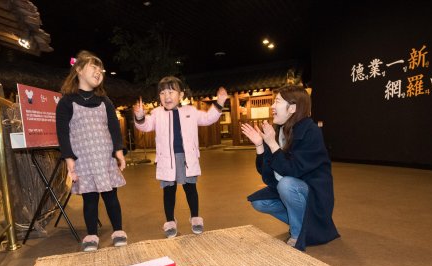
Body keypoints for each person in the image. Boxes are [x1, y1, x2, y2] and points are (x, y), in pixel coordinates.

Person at [241, 85, 339, 251]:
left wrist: (272, 144)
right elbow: (267, 176)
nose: (272, 107)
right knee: (260, 202)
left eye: (277, 101)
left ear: (292, 108)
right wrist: (260, 146)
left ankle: (297, 233)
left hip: (313, 195)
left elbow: (292, 170)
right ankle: (303, 225)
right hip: (293, 189)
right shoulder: (279, 131)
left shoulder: (311, 132)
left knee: (286, 184)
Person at [133, 76, 228, 238]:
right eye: (162, 93)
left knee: (190, 188)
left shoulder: (190, 111)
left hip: (187, 158)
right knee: (168, 191)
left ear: (181, 95)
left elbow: (207, 118)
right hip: (166, 159)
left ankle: (195, 217)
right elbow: (145, 126)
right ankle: (170, 221)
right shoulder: (156, 113)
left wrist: (219, 103)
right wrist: (140, 117)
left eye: (171, 92)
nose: (167, 96)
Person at [56, 50, 127, 252]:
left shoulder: (105, 101)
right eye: (94, 67)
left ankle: (119, 231)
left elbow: (114, 129)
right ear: (78, 69)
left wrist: (119, 152)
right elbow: (62, 133)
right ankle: (92, 235)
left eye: (101, 69)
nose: (99, 72)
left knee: (111, 196)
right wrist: (69, 158)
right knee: (90, 199)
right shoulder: (67, 102)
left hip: (105, 159)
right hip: (84, 160)